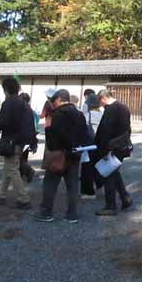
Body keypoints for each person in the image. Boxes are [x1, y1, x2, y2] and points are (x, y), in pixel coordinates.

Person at [34, 89, 89, 223]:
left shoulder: (57, 114)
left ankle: (46, 212)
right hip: (75, 154)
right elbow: (85, 134)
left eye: (52, 101)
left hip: (59, 154)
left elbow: (53, 139)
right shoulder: (79, 114)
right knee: (72, 185)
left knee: (50, 183)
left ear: (59, 99)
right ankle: (72, 214)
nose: (51, 104)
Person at [0, 77, 36, 210]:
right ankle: (1, 194)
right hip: (21, 141)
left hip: (11, 140)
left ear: (5, 89)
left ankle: (23, 199)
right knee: (8, 167)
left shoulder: (9, 102)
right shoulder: (24, 103)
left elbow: (3, 122)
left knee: (12, 169)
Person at [93, 89, 133, 216]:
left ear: (102, 98)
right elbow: (128, 130)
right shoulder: (124, 107)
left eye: (100, 102)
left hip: (111, 148)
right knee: (114, 172)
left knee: (108, 175)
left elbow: (105, 132)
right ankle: (125, 197)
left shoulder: (111, 109)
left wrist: (104, 150)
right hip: (121, 146)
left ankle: (111, 205)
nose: (100, 105)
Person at [80, 92, 102, 196]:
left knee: (87, 168)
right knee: (99, 165)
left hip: (88, 145)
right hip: (100, 144)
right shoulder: (103, 115)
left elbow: (81, 131)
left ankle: (88, 191)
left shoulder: (85, 116)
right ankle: (100, 184)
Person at [18, 93, 39, 183]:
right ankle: (22, 174)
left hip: (25, 137)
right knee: (23, 157)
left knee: (19, 158)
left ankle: (29, 171)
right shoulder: (33, 112)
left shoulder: (25, 112)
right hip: (31, 137)